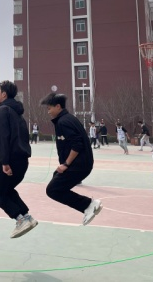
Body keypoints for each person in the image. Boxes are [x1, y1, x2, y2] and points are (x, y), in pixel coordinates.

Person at [41, 93, 102, 225]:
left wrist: (66, 164)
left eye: (49, 108)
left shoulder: (63, 122)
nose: (48, 112)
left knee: (52, 190)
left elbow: (77, 145)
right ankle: (87, 206)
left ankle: (89, 205)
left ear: (58, 106)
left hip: (79, 165)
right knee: (56, 179)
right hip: (81, 164)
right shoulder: (68, 119)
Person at [0, 81, 37, 238]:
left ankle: (20, 219)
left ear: (4, 94)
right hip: (22, 160)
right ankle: (27, 217)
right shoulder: (18, 113)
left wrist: (4, 162)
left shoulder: (2, 111)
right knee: (7, 190)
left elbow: (3, 138)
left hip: (10, 160)